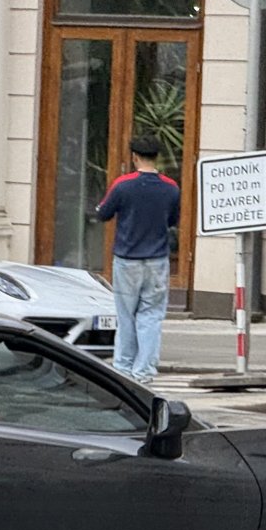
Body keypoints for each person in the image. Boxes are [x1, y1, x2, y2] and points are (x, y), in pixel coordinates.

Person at [95, 134, 180, 383]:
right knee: (151, 315)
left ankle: (123, 368)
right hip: (157, 260)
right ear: (157, 157)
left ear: (134, 157)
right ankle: (144, 371)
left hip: (127, 258)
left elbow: (103, 213)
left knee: (126, 315)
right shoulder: (171, 187)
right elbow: (172, 220)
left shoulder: (123, 184)